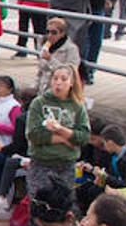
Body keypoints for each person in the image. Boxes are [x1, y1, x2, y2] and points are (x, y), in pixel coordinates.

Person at [25, 64, 91, 194]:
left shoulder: (77, 106)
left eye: (63, 79)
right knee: (39, 203)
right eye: (55, 78)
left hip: (66, 164)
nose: (58, 83)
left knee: (62, 205)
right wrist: (63, 140)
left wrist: (60, 129)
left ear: (71, 83)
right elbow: (33, 133)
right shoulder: (39, 103)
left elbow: (84, 136)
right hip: (41, 163)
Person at [35, 17, 81, 94]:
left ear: (62, 34)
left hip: (60, 91)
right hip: (42, 89)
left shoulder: (71, 49)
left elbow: (69, 72)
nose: (49, 35)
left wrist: (50, 60)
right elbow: (40, 71)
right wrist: (35, 87)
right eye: (47, 32)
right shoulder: (44, 45)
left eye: (54, 32)